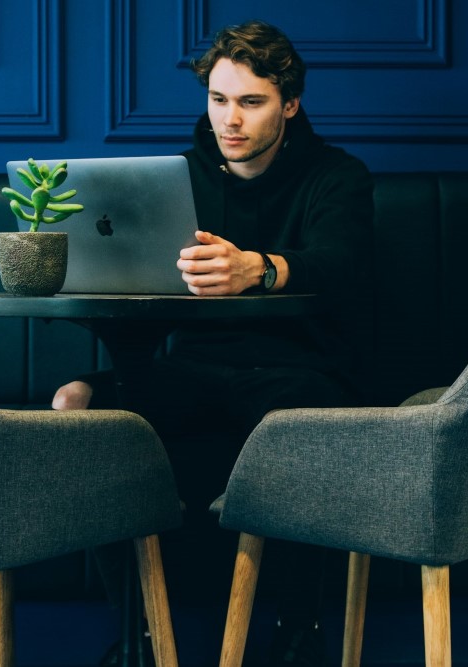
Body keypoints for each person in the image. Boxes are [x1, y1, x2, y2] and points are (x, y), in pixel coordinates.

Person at [53, 19, 373, 667]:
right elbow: (138, 291)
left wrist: (260, 268)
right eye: (219, 99)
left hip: (299, 371)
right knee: (73, 404)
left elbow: (343, 268)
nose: (231, 120)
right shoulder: (178, 180)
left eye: (251, 103)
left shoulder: (337, 177)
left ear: (290, 103)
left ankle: (298, 630)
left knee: (301, 419)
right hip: (195, 369)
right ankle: (139, 633)